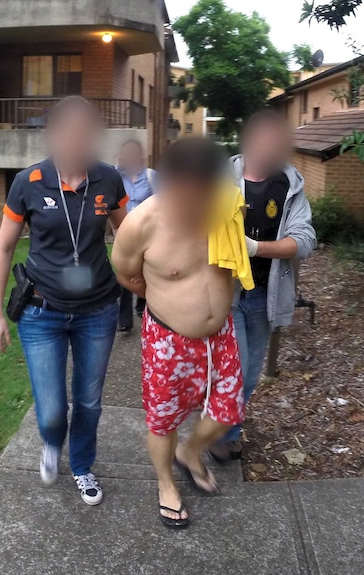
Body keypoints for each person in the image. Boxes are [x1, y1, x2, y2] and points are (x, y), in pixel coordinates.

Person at [0, 96, 128, 506]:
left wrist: (147, 281)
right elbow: (2, 249)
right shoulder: (28, 182)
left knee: (88, 400)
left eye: (85, 131)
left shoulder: (109, 179)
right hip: (41, 312)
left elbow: (128, 235)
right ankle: (52, 441)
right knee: (51, 409)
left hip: (98, 310)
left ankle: (82, 466)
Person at [111, 138, 246, 529]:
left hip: (221, 336)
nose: (197, 206)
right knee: (163, 421)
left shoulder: (226, 209)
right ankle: (166, 482)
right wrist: (159, 298)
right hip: (167, 342)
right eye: (188, 196)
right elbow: (124, 272)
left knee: (227, 412)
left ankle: (192, 452)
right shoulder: (141, 224)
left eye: (206, 194)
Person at [209, 110, 317, 462]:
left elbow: (304, 240)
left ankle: (230, 429)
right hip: (225, 293)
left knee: (251, 371)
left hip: (263, 295)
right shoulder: (220, 176)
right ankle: (217, 434)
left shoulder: (290, 186)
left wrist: (255, 248)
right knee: (234, 368)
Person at [115, 139, 156, 332]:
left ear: (140, 157)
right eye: (126, 155)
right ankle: (124, 320)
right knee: (124, 274)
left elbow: (163, 199)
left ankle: (145, 305)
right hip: (125, 234)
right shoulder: (116, 177)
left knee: (146, 272)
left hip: (148, 235)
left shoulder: (151, 176)